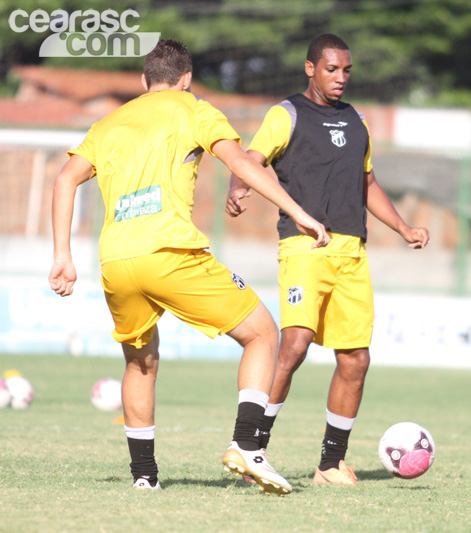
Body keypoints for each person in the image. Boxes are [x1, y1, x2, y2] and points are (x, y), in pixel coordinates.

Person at [48, 39, 330, 495]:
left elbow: (64, 180)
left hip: (116, 259)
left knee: (141, 362)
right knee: (262, 334)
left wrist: (62, 255)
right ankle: (246, 445)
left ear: (144, 82)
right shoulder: (194, 109)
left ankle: (144, 476)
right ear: (186, 80)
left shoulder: (109, 122)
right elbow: (240, 162)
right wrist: (298, 212)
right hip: (170, 253)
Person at [226, 33, 429, 485]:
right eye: (332, 69)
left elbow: (368, 183)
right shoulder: (287, 114)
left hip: (352, 251)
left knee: (355, 359)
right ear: (310, 69)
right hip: (304, 247)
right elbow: (251, 159)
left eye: (347, 70)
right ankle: (251, 452)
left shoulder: (356, 120)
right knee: (293, 344)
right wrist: (238, 186)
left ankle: (331, 463)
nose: (341, 78)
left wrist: (403, 227)